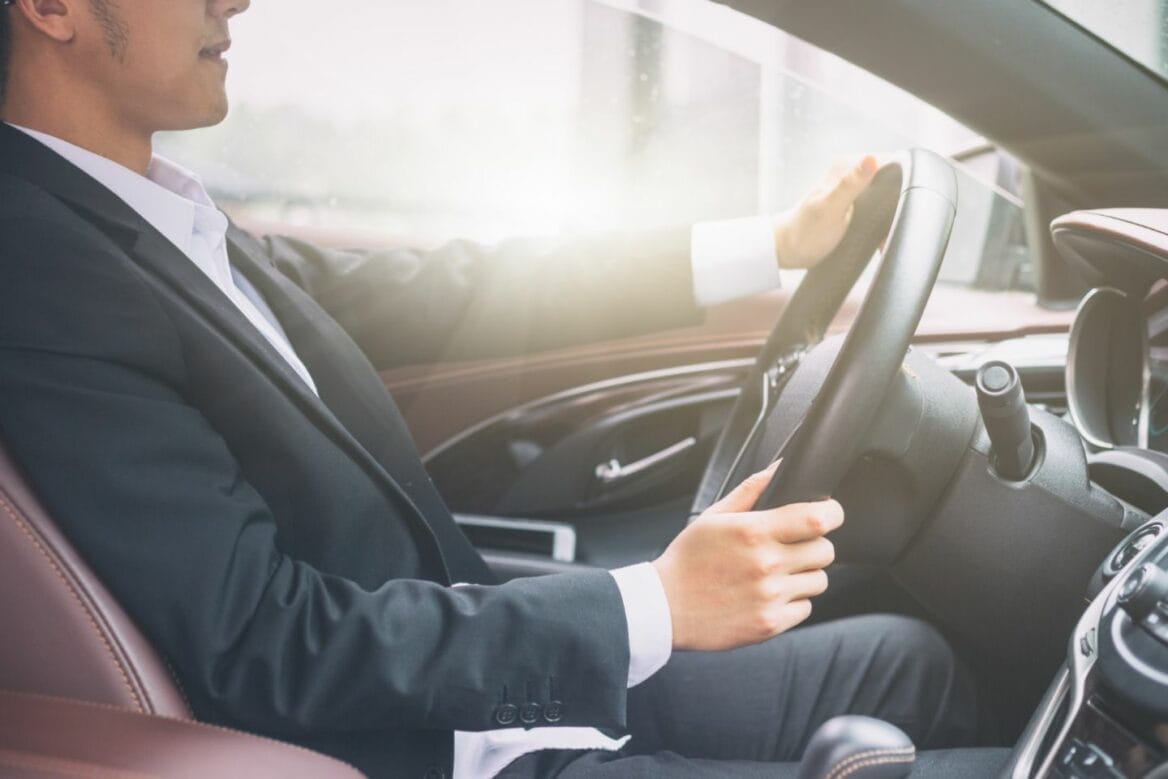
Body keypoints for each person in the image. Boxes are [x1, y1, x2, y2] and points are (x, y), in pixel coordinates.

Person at [0, 0, 1008, 776]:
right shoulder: (43, 268)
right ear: (51, 8)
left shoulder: (157, 220)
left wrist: (774, 245)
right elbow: (263, 642)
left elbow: (459, 288)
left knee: (907, 660)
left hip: (484, 682)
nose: (238, 1)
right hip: (443, 747)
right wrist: (650, 604)